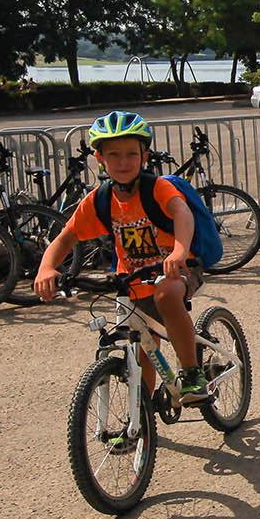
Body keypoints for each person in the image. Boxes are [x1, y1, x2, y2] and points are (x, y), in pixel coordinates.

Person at [34, 111, 210, 405]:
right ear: (99, 158)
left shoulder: (157, 188)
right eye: (114, 155)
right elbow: (66, 237)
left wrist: (179, 251)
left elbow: (182, 213)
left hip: (179, 268)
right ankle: (139, 418)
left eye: (131, 154)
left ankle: (192, 373)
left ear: (145, 155)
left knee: (166, 296)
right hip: (132, 281)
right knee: (141, 351)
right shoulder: (99, 200)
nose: (123, 162)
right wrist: (46, 268)